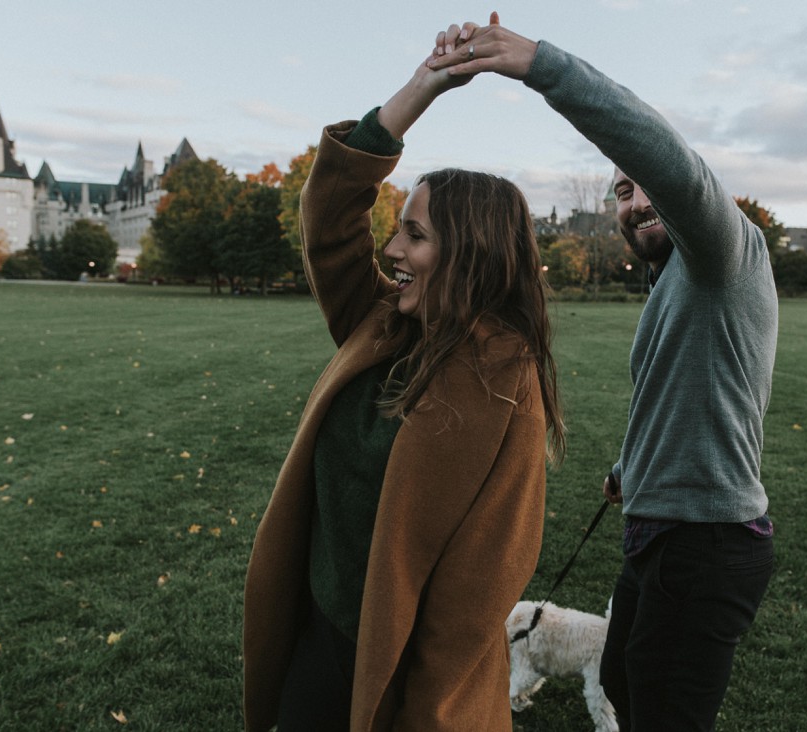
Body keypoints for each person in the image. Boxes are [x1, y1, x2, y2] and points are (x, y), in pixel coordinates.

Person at [431, 15, 777, 731]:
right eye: (621, 192)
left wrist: (538, 65)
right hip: (658, 527)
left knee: (662, 713)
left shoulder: (722, 252)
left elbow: (659, 153)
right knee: (622, 676)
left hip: (704, 542)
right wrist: (632, 466)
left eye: (647, 185)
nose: (635, 201)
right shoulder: (674, 280)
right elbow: (680, 394)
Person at [242, 42, 565, 732]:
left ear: (470, 252)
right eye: (396, 232)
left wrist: (423, 711)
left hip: (398, 675)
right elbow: (329, 213)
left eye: (413, 235)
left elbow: (477, 593)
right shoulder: (379, 320)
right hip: (319, 636)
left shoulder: (505, 381)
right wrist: (422, 87)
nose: (391, 252)